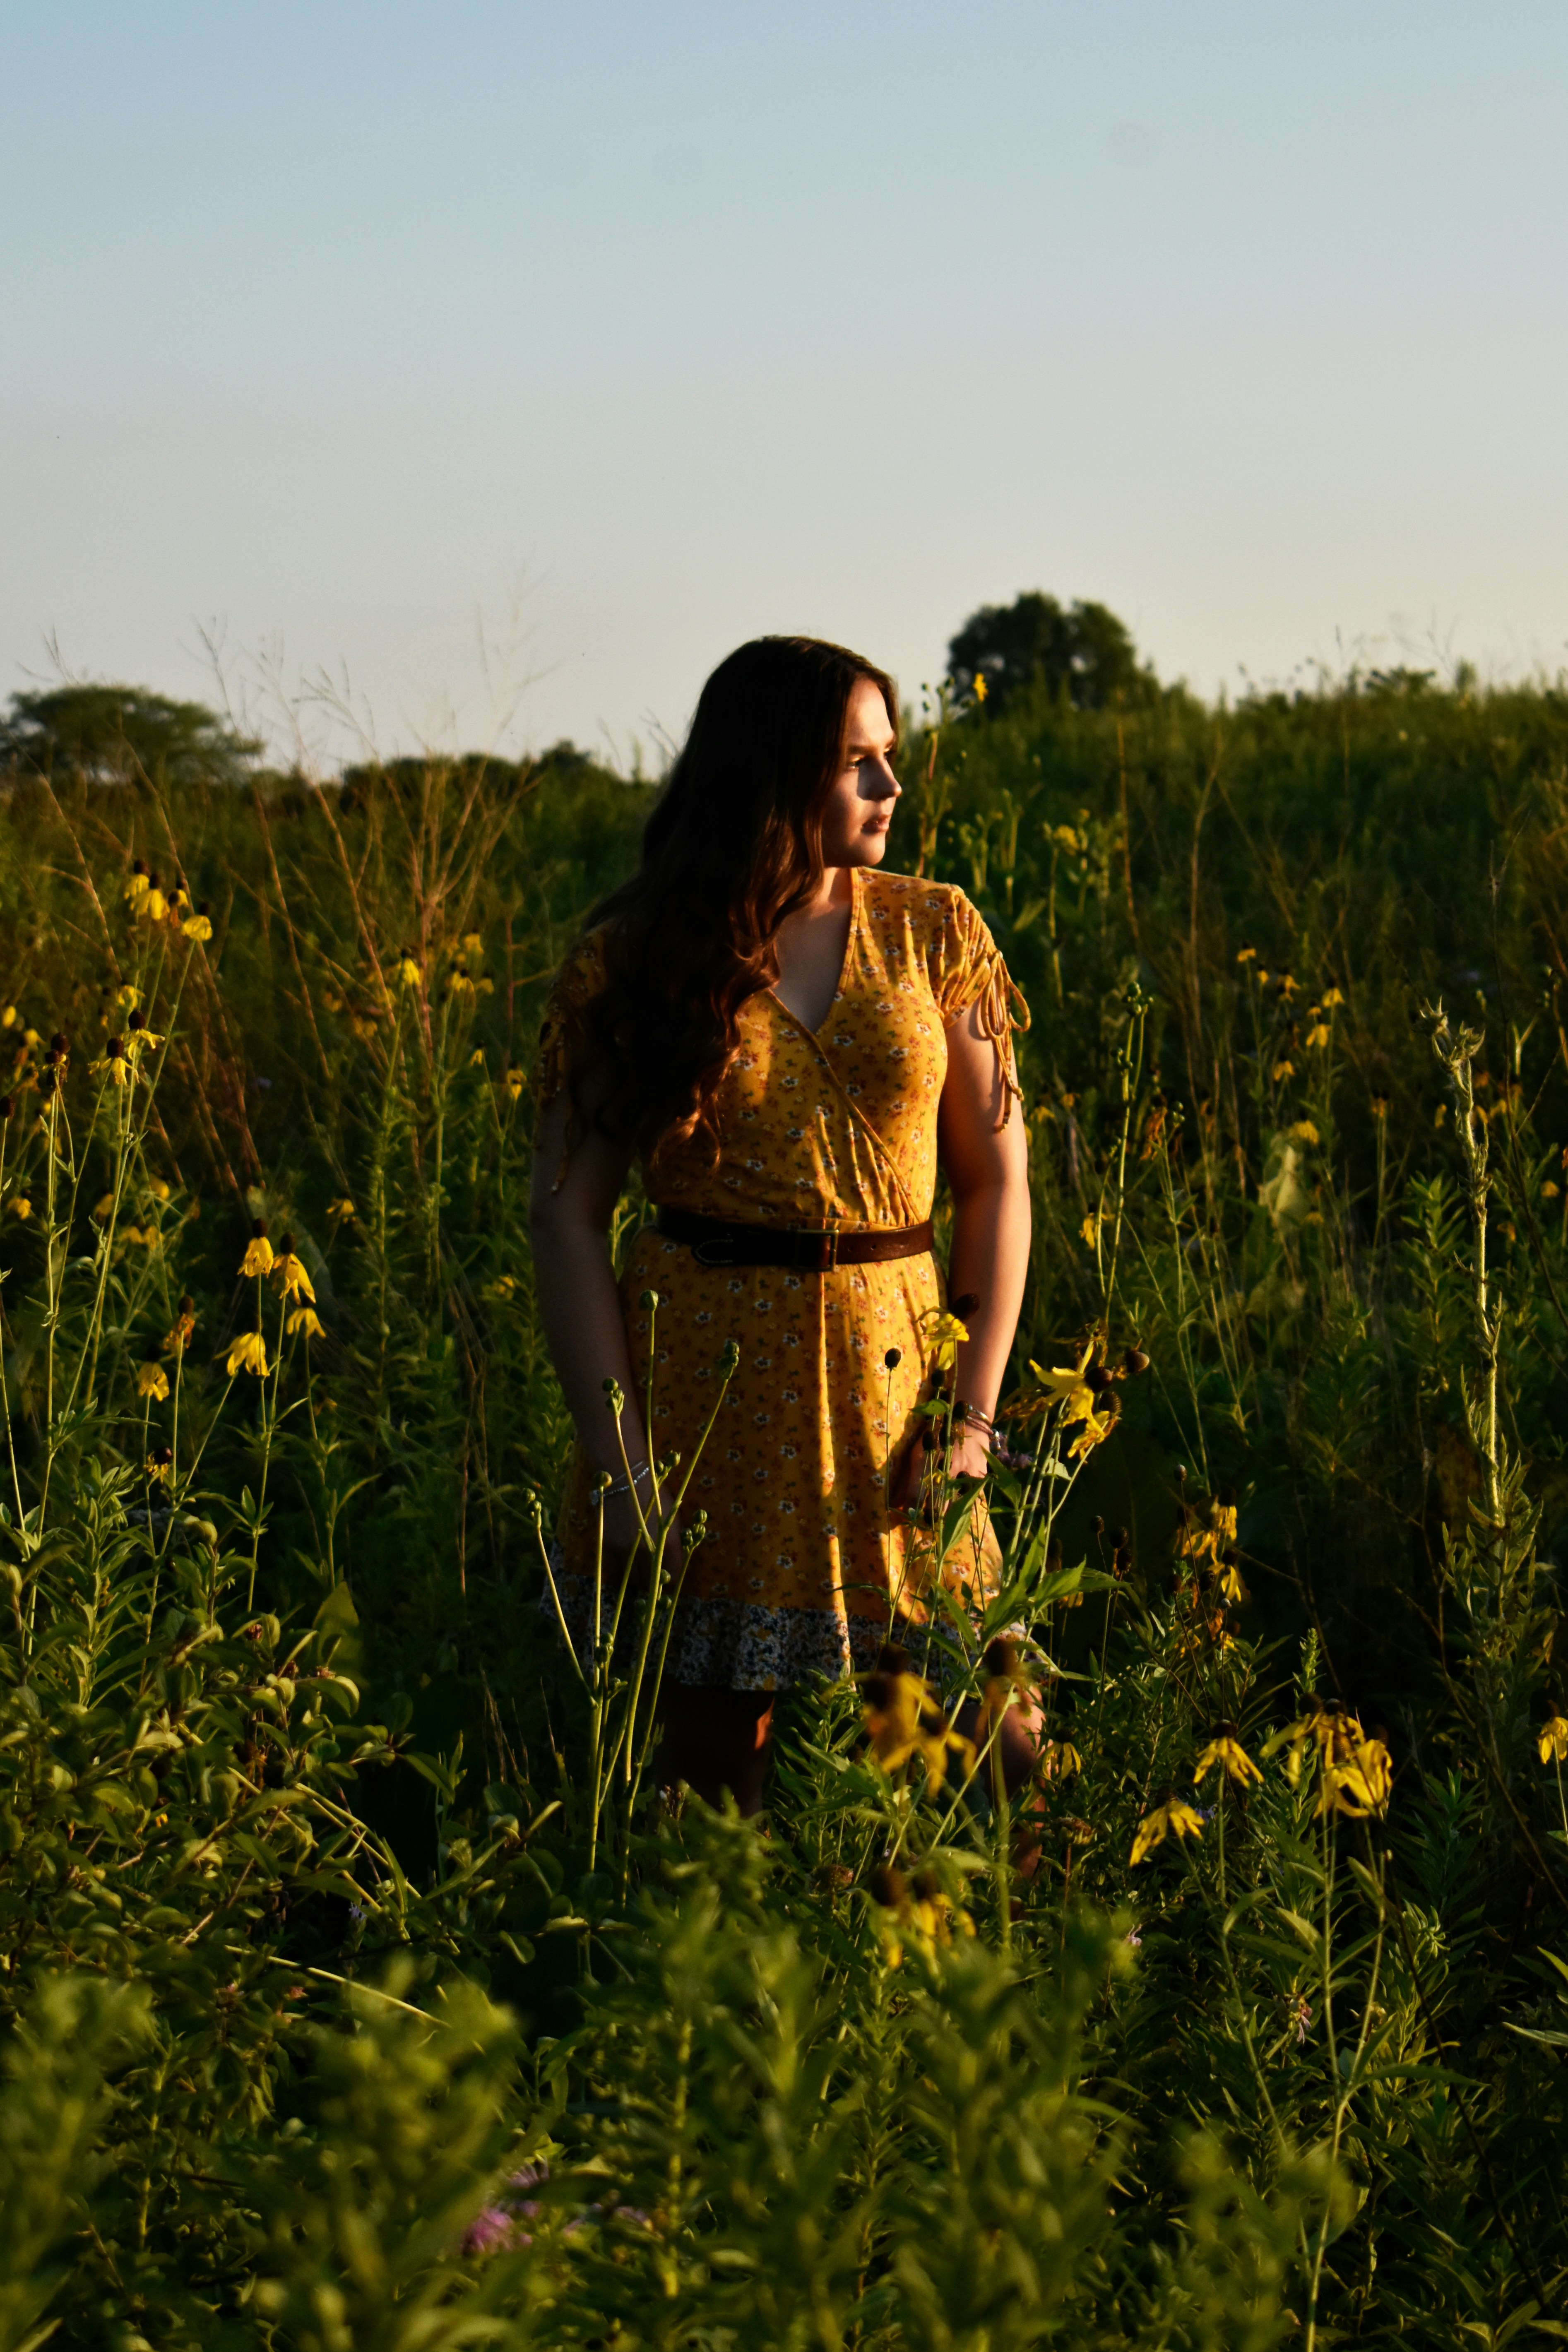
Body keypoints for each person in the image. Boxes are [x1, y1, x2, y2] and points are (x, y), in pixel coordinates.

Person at [528, 635, 1034, 1813]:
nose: (889, 788)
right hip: (708, 1404)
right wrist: (618, 1466)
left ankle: (982, 1992)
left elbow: (995, 1187)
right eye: (857, 762)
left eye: (890, 759)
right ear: (771, 773)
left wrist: (971, 1425)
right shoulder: (635, 956)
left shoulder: (933, 930)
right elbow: (564, 1219)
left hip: (899, 1395)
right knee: (717, 1785)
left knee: (994, 1754)